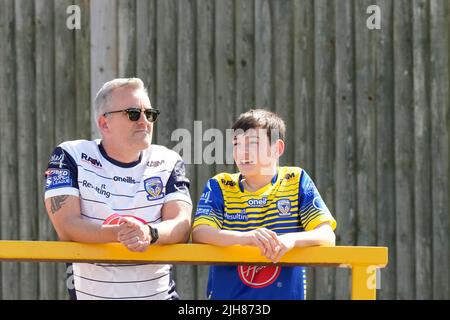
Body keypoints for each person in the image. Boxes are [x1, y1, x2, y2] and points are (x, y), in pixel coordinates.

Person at [44, 78, 192, 300]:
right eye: (133, 113)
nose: (144, 121)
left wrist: (149, 233)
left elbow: (182, 226)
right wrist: (122, 234)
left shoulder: (169, 160)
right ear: (104, 123)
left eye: (149, 113)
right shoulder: (69, 155)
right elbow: (66, 226)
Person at [192, 109, 337, 300]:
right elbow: (200, 233)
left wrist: (291, 240)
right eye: (236, 144)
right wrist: (246, 237)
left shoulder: (296, 179)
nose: (242, 152)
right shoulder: (220, 184)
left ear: (277, 148)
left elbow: (327, 235)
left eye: (252, 143)